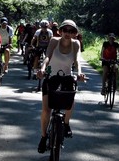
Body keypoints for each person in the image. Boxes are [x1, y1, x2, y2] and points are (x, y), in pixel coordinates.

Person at [36, 19, 86, 152]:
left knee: (70, 101)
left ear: (75, 33)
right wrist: (42, 68)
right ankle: (43, 136)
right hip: (52, 77)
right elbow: (47, 57)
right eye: (65, 30)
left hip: (67, 78)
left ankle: (66, 124)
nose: (67, 33)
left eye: (71, 31)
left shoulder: (76, 44)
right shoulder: (54, 41)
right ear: (60, 31)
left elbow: (77, 61)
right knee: (46, 110)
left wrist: (80, 73)